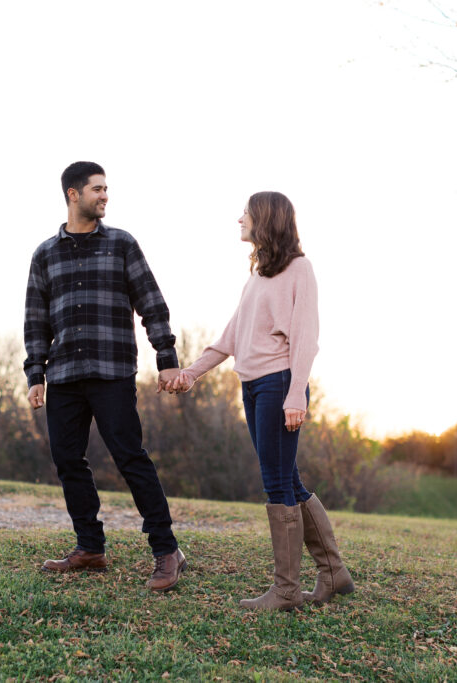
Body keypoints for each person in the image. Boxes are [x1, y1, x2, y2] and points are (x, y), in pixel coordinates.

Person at [168, 191, 354, 610]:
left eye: (246, 214)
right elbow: (231, 338)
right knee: (288, 479)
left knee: (276, 482)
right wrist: (191, 373)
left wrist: (295, 394)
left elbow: (306, 338)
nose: (239, 220)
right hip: (252, 385)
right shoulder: (257, 276)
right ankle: (333, 573)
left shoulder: (299, 270)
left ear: (265, 219)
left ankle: (287, 590)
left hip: (279, 383)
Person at [23, 161, 186, 592]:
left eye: (106, 189)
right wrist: (34, 374)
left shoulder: (121, 244)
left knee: (130, 457)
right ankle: (90, 547)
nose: (105, 196)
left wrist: (166, 356)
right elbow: (36, 320)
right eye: (97, 189)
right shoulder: (45, 254)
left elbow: (152, 302)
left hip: (112, 370)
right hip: (63, 375)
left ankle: (167, 550)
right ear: (73, 194)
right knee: (67, 460)